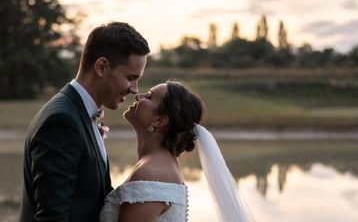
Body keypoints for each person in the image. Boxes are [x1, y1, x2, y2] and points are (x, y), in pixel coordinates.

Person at [19, 22, 150, 222]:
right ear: (101, 67)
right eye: (130, 77)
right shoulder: (61, 121)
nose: (134, 89)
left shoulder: (79, 113)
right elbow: (52, 217)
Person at [99, 81, 254, 222]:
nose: (138, 96)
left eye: (148, 96)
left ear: (160, 121)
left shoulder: (153, 172)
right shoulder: (160, 165)